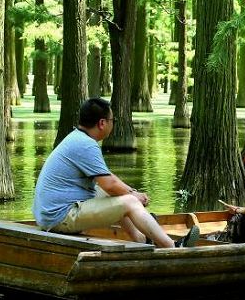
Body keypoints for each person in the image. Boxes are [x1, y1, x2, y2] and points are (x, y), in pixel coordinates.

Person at [32, 98, 197, 248]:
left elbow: (107, 178)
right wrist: (134, 197)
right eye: (113, 120)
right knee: (129, 202)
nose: (113, 123)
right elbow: (110, 185)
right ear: (102, 123)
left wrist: (132, 192)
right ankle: (173, 247)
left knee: (119, 195)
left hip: (51, 216)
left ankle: (141, 239)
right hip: (60, 218)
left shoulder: (77, 138)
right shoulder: (85, 144)